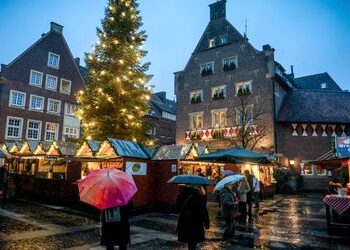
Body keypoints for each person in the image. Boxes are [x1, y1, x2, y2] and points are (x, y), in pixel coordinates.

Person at [176, 185, 210, 250]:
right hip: (196, 224)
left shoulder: (182, 194)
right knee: (193, 243)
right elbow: (204, 211)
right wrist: (206, 223)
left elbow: (178, 209)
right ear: (198, 188)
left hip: (185, 223)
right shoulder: (199, 197)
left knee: (190, 242)